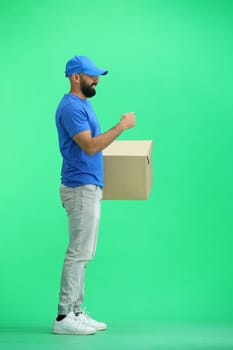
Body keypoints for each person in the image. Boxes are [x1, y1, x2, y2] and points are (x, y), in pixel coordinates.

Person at [53, 55, 136, 335]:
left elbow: (92, 148)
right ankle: (64, 317)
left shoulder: (83, 105)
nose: (97, 79)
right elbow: (89, 146)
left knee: (85, 253)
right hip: (79, 187)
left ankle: (76, 311)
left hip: (88, 186)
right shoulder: (71, 107)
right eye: (91, 75)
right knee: (78, 253)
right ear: (75, 77)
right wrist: (120, 127)